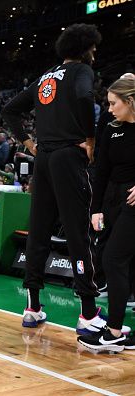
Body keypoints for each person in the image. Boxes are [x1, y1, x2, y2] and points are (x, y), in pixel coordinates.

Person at [1, 23, 106, 334]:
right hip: (68, 156)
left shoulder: (46, 76)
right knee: (78, 231)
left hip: (43, 159)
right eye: (94, 47)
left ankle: (32, 306)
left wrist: (28, 143)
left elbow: (10, 110)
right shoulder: (82, 72)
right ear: (85, 48)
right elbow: (87, 97)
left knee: (39, 230)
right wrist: (90, 137)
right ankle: (88, 311)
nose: (96, 53)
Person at [78, 77, 135, 352]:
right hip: (113, 199)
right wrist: (96, 209)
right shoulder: (112, 129)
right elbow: (101, 173)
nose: (110, 108)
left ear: (130, 101)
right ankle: (121, 330)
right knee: (122, 262)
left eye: (114, 103)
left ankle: (113, 332)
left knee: (113, 258)